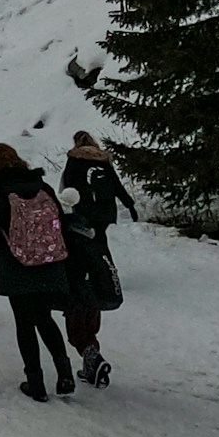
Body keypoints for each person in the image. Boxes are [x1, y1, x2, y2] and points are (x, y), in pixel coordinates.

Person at [0, 142, 76, 400]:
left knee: (24, 323)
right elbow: (59, 222)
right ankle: (65, 373)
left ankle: (36, 383)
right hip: (49, 261)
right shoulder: (41, 185)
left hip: (16, 263)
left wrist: (2, 254)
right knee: (44, 317)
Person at [58, 132, 137, 386]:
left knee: (80, 268)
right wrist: (129, 204)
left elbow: (67, 192)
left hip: (81, 220)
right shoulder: (104, 161)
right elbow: (115, 185)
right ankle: (101, 279)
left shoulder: (74, 161)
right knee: (98, 254)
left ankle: (89, 352)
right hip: (103, 217)